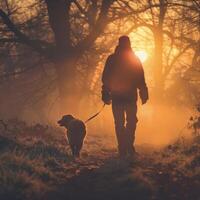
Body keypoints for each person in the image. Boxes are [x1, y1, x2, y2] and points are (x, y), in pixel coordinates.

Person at [101, 36, 149, 158]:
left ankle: (124, 147)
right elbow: (140, 78)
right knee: (131, 122)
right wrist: (143, 92)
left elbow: (106, 78)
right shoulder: (134, 59)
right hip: (129, 97)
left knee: (120, 123)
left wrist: (105, 93)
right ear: (129, 44)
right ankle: (127, 146)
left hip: (119, 96)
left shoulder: (112, 59)